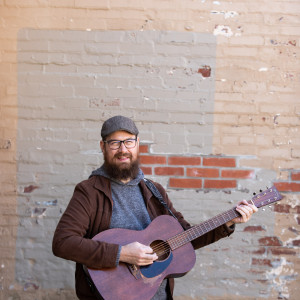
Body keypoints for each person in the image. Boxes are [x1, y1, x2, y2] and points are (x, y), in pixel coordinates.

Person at [52, 115, 257, 300]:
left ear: (137, 144)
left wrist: (228, 221)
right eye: (115, 143)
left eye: (129, 141)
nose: (123, 149)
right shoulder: (89, 192)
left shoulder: (154, 191)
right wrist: (121, 253)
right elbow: (63, 242)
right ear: (103, 146)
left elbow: (186, 237)